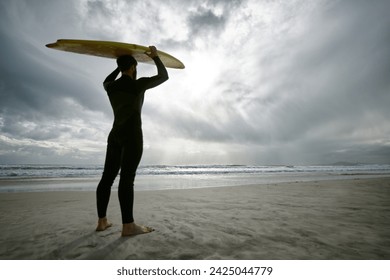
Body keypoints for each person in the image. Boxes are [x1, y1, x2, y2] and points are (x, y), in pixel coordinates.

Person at [95, 46, 168, 236]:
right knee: (127, 180)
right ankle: (128, 226)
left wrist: (118, 67)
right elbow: (163, 76)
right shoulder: (138, 84)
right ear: (134, 67)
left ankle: (102, 221)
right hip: (132, 135)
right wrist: (155, 57)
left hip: (115, 135)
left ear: (120, 68)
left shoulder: (110, 87)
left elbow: (106, 80)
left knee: (107, 179)